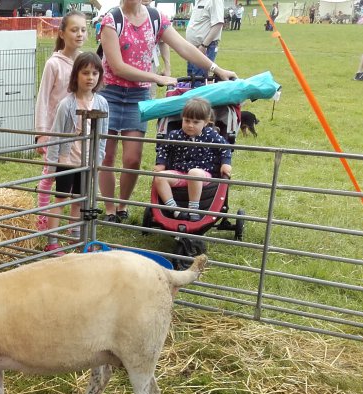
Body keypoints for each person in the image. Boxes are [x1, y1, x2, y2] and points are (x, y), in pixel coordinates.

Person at [97, 0, 236, 222]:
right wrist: (157, 77)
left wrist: (216, 69)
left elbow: (184, 47)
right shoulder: (111, 20)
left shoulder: (156, 18)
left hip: (138, 96)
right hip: (110, 92)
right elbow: (117, 67)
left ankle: (123, 205)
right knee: (107, 156)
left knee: (132, 158)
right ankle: (111, 210)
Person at [44, 52, 109, 253]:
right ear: (76, 76)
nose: (90, 78)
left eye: (95, 73)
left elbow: (102, 137)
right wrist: (53, 165)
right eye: (85, 73)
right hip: (67, 160)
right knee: (61, 199)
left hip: (87, 161)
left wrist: (97, 163)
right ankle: (52, 241)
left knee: (79, 200)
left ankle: (75, 237)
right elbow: (56, 135)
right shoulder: (67, 104)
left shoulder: (102, 103)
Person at [33, 10, 87, 231]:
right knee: (51, 175)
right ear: (62, 33)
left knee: (73, 179)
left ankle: (72, 226)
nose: (79, 34)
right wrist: (41, 133)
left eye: (83, 30)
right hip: (56, 132)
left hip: (78, 133)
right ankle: (43, 219)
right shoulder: (53, 64)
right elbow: (43, 98)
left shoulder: (84, 63)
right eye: (74, 30)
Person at [152, 97, 231, 220]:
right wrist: (161, 163)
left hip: (202, 175)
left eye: (195, 122)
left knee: (194, 173)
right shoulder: (175, 135)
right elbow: (164, 149)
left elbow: (225, 148)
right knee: (160, 177)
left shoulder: (210, 135)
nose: (190, 125)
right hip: (180, 173)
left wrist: (225, 164)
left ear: (205, 122)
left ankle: (193, 209)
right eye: (187, 120)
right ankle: (176, 211)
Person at [185, 0, 225, 85]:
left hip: (204, 47)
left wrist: (204, 45)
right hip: (193, 48)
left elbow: (218, 24)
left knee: (198, 81)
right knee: (191, 79)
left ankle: (199, 98)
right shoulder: (199, 1)